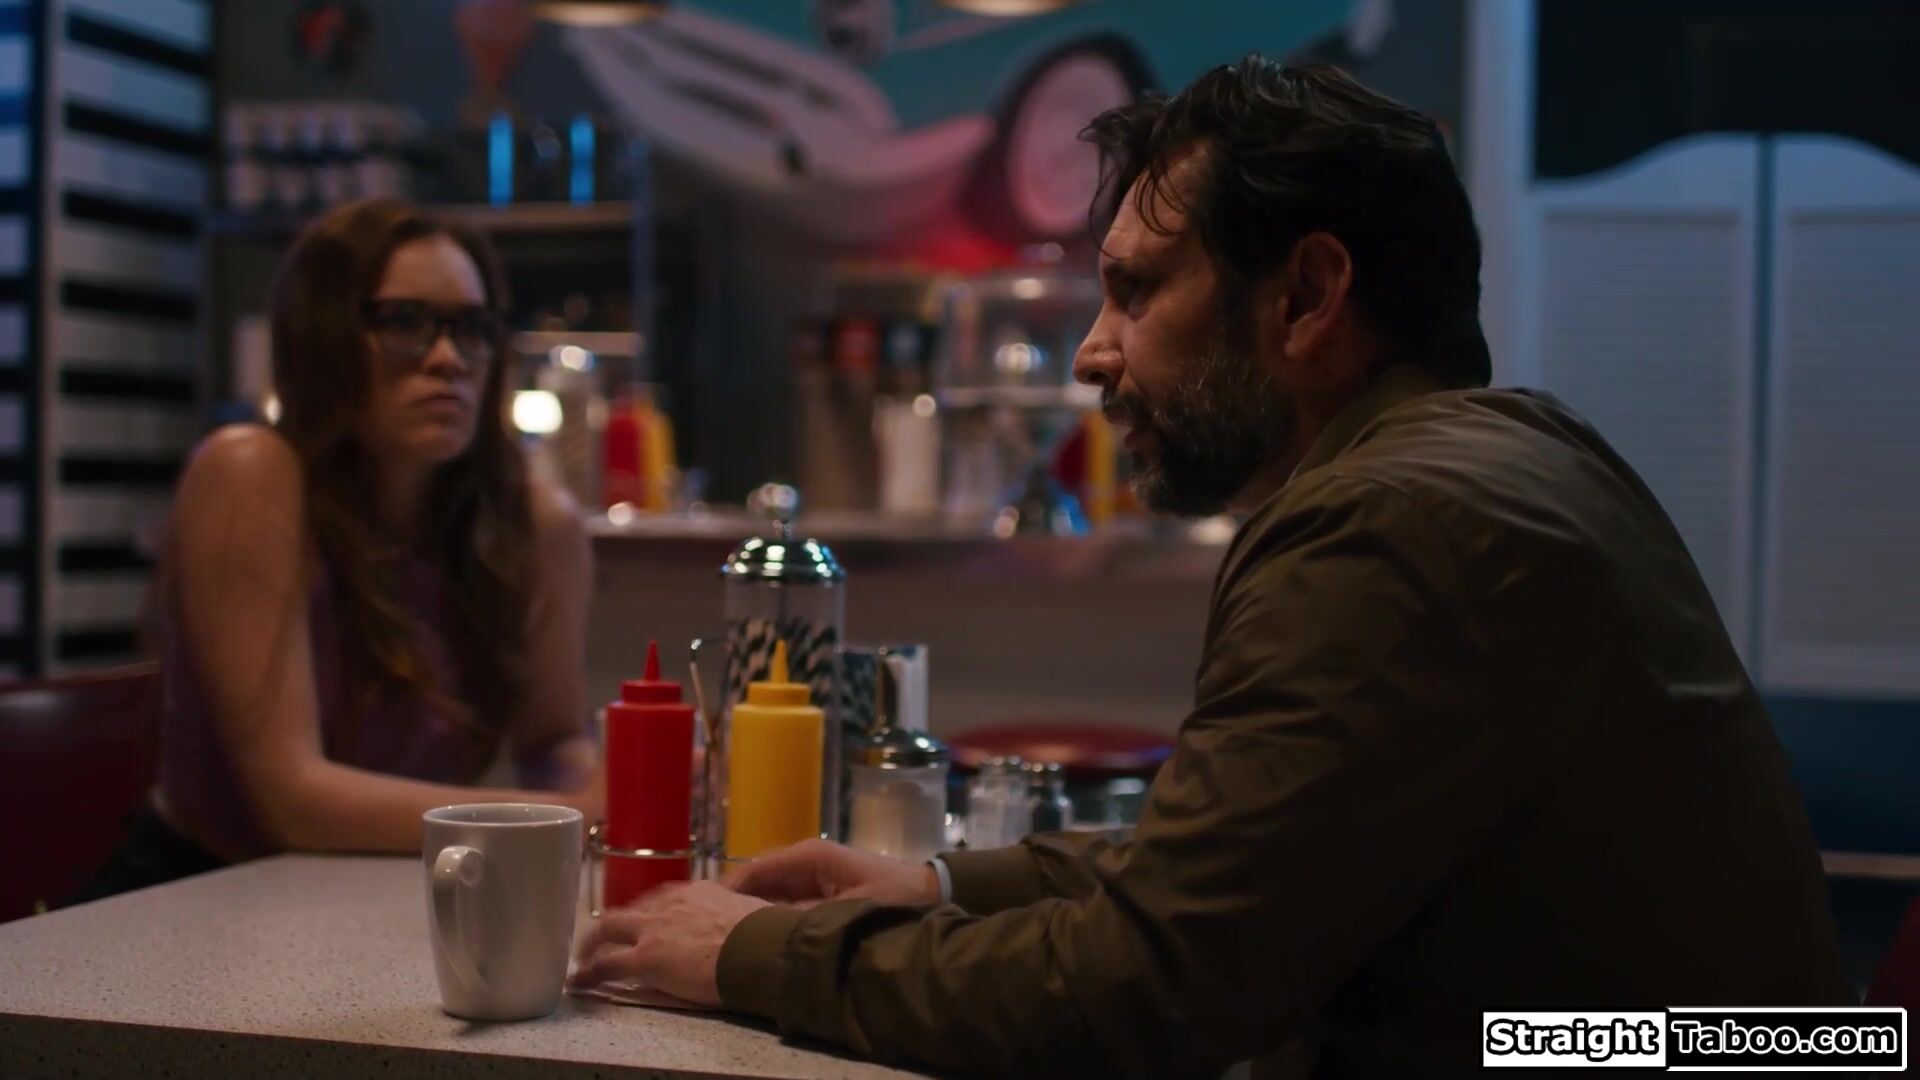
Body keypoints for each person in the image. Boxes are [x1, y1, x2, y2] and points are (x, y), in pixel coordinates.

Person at [567, 60, 1849, 1077]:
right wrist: (937, 882)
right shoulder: (1509, 452)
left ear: (1307, 296)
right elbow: (1254, 874)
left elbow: (1149, 990)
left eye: (1135, 291)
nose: (1092, 354)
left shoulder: (1386, 523)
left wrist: (756, 958)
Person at [77, 199, 600, 899]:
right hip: (201, 895)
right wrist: (575, 815)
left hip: (393, 895)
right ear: (324, 336)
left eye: (473, 328)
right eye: (405, 323)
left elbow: (552, 741)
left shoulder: (535, 524)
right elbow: (293, 801)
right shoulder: (250, 472)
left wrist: (624, 786)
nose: (448, 358)